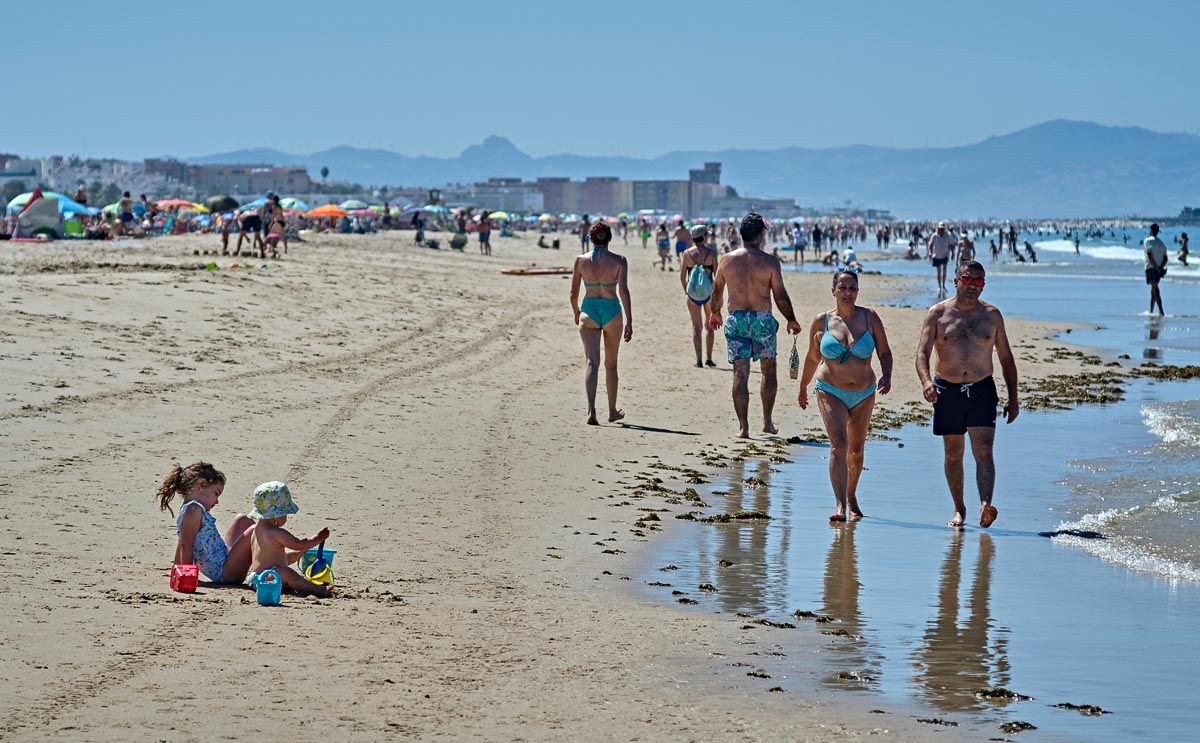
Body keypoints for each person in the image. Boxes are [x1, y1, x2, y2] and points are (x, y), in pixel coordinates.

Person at [915, 261, 1020, 529]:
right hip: (946, 391)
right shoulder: (937, 314)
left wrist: (1013, 397)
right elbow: (922, 354)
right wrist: (927, 382)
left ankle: (985, 504)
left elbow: (1006, 359)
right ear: (956, 280)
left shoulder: (992, 316)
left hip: (982, 389)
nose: (973, 286)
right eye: (968, 280)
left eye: (979, 282)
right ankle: (959, 509)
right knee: (953, 453)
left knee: (984, 451)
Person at [798, 270, 893, 522]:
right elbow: (811, 357)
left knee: (857, 450)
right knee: (839, 445)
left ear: (858, 291)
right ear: (833, 291)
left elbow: (884, 352)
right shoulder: (822, 322)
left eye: (852, 288)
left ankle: (851, 496)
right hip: (830, 389)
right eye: (843, 288)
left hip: (864, 393)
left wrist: (887, 375)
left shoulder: (869, 317)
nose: (848, 292)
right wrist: (803, 386)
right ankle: (840, 505)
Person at [708, 213, 802, 438]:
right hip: (762, 320)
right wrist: (791, 318)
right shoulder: (769, 262)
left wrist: (715, 312)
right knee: (768, 371)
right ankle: (767, 422)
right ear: (761, 235)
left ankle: (744, 427)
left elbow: (717, 290)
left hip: (737, 318)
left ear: (741, 234)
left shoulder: (727, 260)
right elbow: (780, 295)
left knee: (740, 372)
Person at [570, 222, 633, 425]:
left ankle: (591, 411)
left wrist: (576, 313)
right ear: (609, 238)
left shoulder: (581, 261)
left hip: (589, 310)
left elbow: (573, 294)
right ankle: (612, 410)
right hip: (612, 311)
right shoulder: (619, 261)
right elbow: (623, 291)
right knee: (611, 364)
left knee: (591, 363)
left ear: (590, 238)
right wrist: (630, 321)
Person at [157, 461, 256, 585]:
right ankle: (268, 564)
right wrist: (187, 575)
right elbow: (185, 545)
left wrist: (176, 569)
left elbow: (182, 541)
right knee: (254, 530)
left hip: (224, 558)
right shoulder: (193, 510)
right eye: (216, 493)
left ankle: (272, 557)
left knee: (243, 520)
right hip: (225, 572)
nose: (217, 501)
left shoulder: (192, 509)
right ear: (202, 485)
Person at [246, 481, 333, 597]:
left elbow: (274, 558)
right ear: (276, 515)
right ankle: (316, 589)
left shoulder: (256, 530)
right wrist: (318, 538)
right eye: (285, 514)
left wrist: (300, 552)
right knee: (287, 573)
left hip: (254, 578)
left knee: (285, 562)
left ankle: (296, 581)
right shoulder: (276, 533)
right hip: (267, 579)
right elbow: (299, 544)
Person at [680, 223, 718, 368]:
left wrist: (687, 291)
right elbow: (717, 276)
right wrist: (716, 295)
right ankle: (709, 358)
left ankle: (699, 360)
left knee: (696, 328)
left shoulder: (687, 254)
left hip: (693, 295)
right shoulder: (711, 253)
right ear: (703, 237)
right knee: (709, 327)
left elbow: (682, 277)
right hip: (708, 294)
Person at [1143, 223, 1167, 316]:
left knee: (1155, 289)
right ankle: (1151, 311)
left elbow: (1149, 255)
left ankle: (1161, 311)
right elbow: (1165, 258)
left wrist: (1156, 267)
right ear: (1158, 232)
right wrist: (1160, 268)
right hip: (1158, 269)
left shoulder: (1147, 241)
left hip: (1150, 268)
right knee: (1153, 289)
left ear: (1150, 231)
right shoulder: (1162, 243)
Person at [926, 221, 956, 294]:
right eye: (940, 229)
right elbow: (930, 245)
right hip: (936, 255)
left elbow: (952, 244)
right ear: (938, 228)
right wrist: (929, 252)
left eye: (943, 229)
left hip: (945, 255)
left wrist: (953, 253)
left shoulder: (947, 235)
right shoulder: (934, 235)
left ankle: (944, 286)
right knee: (939, 271)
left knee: (944, 270)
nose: (941, 230)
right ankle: (939, 286)